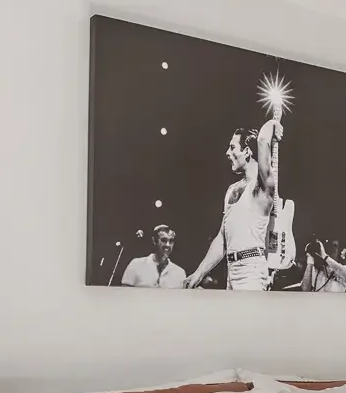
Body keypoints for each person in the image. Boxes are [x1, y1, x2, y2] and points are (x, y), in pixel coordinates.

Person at [186, 119, 283, 290]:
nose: (227, 153)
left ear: (246, 152)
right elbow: (222, 239)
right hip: (231, 272)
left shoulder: (263, 187)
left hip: (252, 272)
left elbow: (262, 141)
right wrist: (198, 274)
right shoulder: (231, 190)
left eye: (232, 147)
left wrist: (272, 123)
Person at [120, 225, 186, 288]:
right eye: (163, 240)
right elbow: (124, 295)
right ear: (154, 241)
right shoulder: (135, 264)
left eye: (171, 241)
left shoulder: (180, 273)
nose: (168, 245)